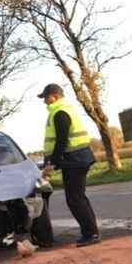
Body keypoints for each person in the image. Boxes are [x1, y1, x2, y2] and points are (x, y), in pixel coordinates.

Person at [38, 83, 101, 247]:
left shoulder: (60, 113)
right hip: (78, 159)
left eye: (46, 97)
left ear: (55, 96)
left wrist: (51, 165)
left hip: (75, 160)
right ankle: (91, 231)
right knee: (78, 198)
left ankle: (91, 234)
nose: (44, 101)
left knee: (75, 199)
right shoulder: (62, 110)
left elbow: (61, 141)